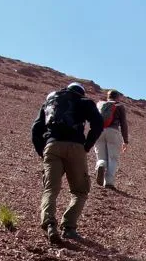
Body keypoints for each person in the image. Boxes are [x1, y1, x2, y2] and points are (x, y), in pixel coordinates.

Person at [31, 82, 103, 243]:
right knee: (80, 191)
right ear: (81, 93)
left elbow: (36, 128)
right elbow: (98, 124)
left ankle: (49, 224)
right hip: (75, 147)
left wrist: (42, 151)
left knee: (50, 188)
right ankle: (69, 227)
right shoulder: (84, 102)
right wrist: (87, 146)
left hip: (51, 146)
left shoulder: (51, 101)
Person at [94, 89, 129, 190]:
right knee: (112, 158)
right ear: (117, 97)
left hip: (99, 132)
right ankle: (109, 182)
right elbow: (123, 124)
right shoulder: (119, 106)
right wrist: (125, 141)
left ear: (108, 96)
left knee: (101, 156)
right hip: (113, 132)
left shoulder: (100, 104)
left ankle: (100, 164)